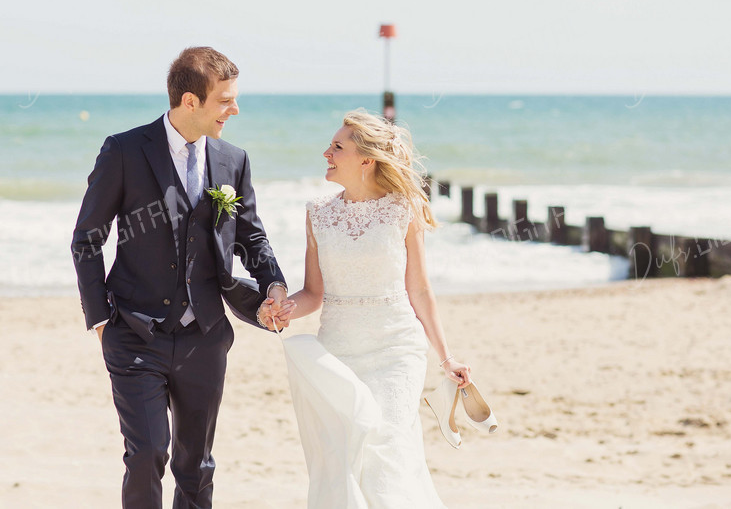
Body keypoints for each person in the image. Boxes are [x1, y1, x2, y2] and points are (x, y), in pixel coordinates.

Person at [71, 46, 290, 508]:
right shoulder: (125, 150)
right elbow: (88, 238)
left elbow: (251, 237)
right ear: (190, 102)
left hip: (205, 336)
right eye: (225, 100)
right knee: (147, 451)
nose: (235, 109)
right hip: (134, 331)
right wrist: (100, 318)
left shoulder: (234, 159)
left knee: (196, 465)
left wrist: (273, 285)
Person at [259, 109, 471, 507]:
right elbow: (314, 294)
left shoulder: (402, 209)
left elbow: (420, 291)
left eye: (337, 147)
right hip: (337, 352)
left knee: (386, 449)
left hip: (396, 351)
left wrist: (447, 359)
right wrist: (284, 308)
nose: (326, 153)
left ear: (367, 159)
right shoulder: (317, 214)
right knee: (347, 460)